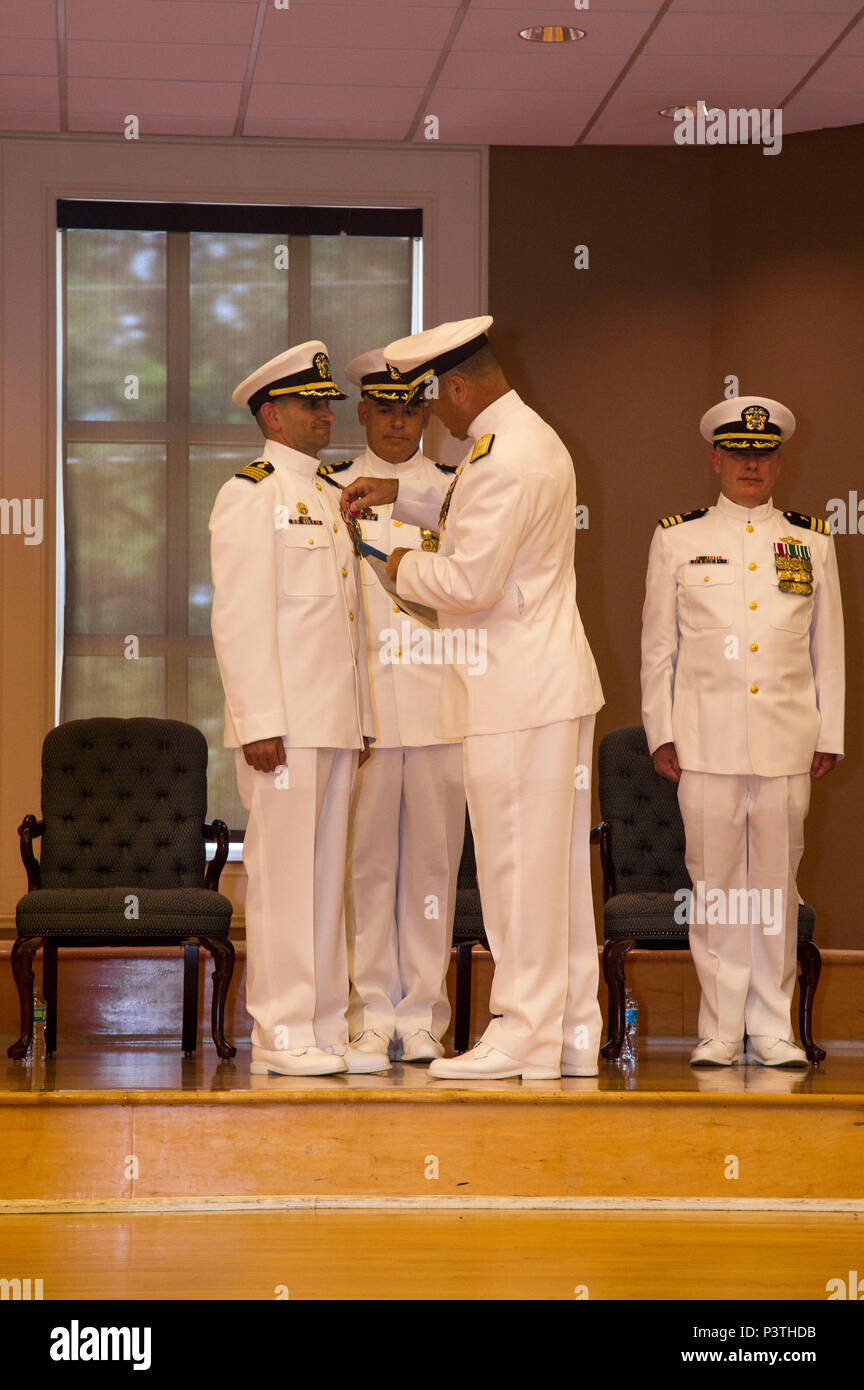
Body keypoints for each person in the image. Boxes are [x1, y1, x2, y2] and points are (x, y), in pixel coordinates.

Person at [342, 316, 604, 1079]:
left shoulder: (501, 456)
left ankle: (521, 1030)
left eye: (436, 400)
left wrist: (391, 559)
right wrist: (407, 498)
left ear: (459, 389)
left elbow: (469, 581)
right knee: (554, 875)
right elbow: (478, 515)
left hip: (515, 693)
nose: (438, 417)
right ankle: (568, 1034)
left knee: (516, 866)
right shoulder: (523, 439)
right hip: (543, 686)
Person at [640, 395, 844, 1067]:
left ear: (779, 462)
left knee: (776, 890)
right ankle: (722, 1028)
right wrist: (660, 731)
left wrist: (828, 732)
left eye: (761, 455)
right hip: (706, 742)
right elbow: (657, 649)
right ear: (716, 459)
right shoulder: (678, 538)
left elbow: (828, 648)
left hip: (786, 742)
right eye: (737, 453)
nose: (749, 465)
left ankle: (773, 1027)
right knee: (717, 886)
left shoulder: (811, 541)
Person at [209, 341, 384, 1077]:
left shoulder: (325, 492)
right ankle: (281, 1032)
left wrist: (360, 717)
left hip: (334, 721)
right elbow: (240, 617)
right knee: (284, 880)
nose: (323, 415)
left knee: (326, 878)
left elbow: (346, 622)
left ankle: (322, 1024)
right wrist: (258, 722)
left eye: (326, 403)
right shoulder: (251, 494)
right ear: (272, 414)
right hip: (284, 727)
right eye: (310, 404)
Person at [318, 349, 466, 1064]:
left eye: (413, 409)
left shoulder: (455, 489)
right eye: (387, 409)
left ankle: (424, 1012)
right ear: (363, 413)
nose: (400, 421)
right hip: (368, 710)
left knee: (434, 872)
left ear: (429, 414)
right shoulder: (328, 488)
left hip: (444, 705)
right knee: (368, 868)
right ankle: (371, 1009)